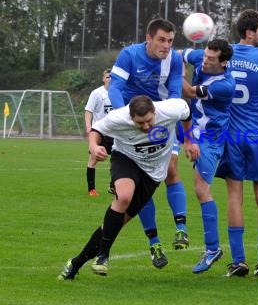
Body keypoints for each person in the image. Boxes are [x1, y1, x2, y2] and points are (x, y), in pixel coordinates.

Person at [57, 95, 191, 280]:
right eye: (139, 123)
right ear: (130, 117)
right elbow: (96, 130)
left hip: (153, 174)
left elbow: (187, 112)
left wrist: (190, 141)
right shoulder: (118, 118)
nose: (145, 126)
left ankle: (76, 263)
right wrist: (94, 146)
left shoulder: (171, 108)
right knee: (124, 197)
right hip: (126, 159)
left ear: (155, 112)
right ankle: (103, 255)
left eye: (149, 121)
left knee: (114, 225)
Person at [108, 18, 187, 270]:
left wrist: (163, 118)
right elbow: (116, 87)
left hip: (160, 122)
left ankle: (181, 228)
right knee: (144, 184)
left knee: (171, 170)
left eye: (171, 41)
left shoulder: (173, 59)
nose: (166, 46)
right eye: (162, 40)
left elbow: (175, 93)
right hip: (134, 124)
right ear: (149, 38)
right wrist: (125, 117)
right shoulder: (129, 55)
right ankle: (154, 243)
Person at [215, 9, 258, 277]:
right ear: (249, 32)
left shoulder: (224, 54)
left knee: (234, 196)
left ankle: (238, 260)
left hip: (232, 134)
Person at [180, 39, 235, 274]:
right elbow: (181, 53)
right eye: (204, 56)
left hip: (210, 140)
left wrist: (172, 72)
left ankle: (213, 249)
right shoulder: (201, 58)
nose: (204, 61)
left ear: (223, 62)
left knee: (202, 190)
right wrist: (174, 57)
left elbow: (190, 91)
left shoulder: (224, 84)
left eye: (211, 59)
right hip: (194, 132)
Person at [84, 68, 113, 197]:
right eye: (107, 77)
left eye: (112, 77)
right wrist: (88, 126)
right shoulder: (97, 93)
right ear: (103, 79)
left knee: (120, 159)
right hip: (100, 133)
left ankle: (113, 186)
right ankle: (91, 189)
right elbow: (89, 110)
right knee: (93, 160)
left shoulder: (120, 93)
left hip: (115, 133)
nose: (110, 79)